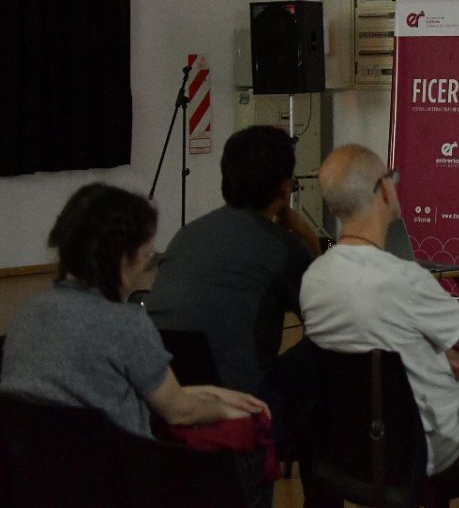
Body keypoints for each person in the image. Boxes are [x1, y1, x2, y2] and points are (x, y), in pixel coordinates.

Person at [1, 184, 269, 439]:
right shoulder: (125, 324)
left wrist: (212, 393)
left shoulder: (28, 314)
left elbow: (118, 392)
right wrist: (229, 410)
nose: (144, 268)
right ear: (121, 258)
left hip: (34, 476)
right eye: (145, 256)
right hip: (117, 476)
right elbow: (178, 411)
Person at [301, 144, 459, 475]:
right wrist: (443, 346)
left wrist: (432, 349)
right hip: (423, 448)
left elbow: (366, 344)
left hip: (346, 445)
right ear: (384, 190)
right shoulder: (406, 279)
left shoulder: (313, 278)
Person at [146, 125, 321, 395]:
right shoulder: (283, 246)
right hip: (241, 399)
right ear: (285, 188)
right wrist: (307, 233)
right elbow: (325, 317)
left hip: (165, 390)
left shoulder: (186, 234)